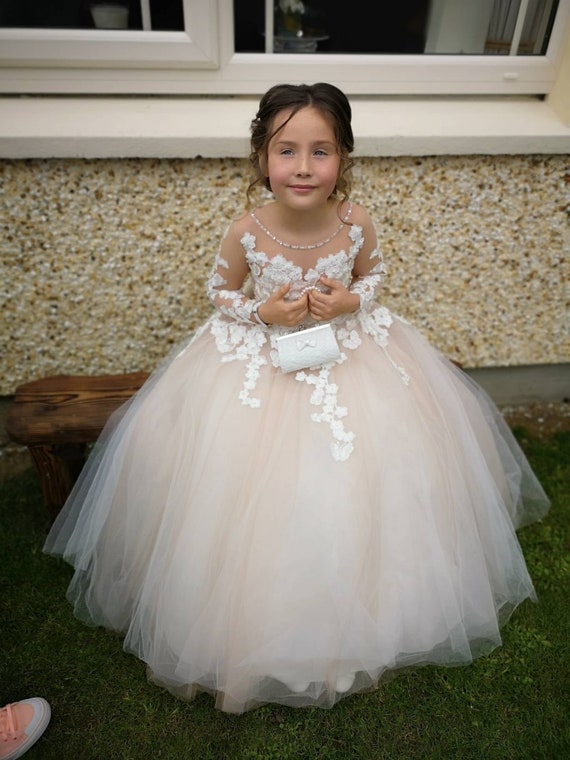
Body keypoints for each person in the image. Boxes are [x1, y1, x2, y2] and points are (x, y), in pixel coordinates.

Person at [43, 82, 550, 714]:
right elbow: (219, 289)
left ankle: (370, 607)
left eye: (321, 151)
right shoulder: (247, 229)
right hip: (259, 360)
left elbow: (374, 275)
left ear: (344, 158)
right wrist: (261, 309)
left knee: (376, 464)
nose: (304, 167)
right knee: (240, 481)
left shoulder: (355, 220)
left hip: (350, 351)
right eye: (287, 151)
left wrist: (351, 301)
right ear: (261, 158)